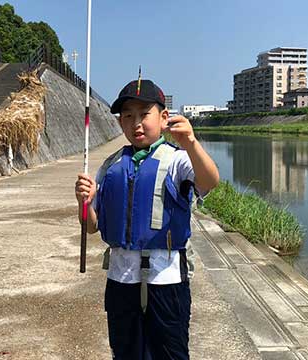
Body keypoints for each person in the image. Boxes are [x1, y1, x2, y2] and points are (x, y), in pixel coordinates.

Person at [75, 79, 219, 360]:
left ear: (164, 117)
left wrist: (190, 142)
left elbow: (210, 180)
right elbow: (92, 227)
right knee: (125, 351)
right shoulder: (112, 165)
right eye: (128, 116)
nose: (136, 123)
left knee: (170, 352)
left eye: (144, 114)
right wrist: (84, 202)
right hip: (120, 278)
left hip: (166, 279)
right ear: (120, 123)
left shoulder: (178, 159)